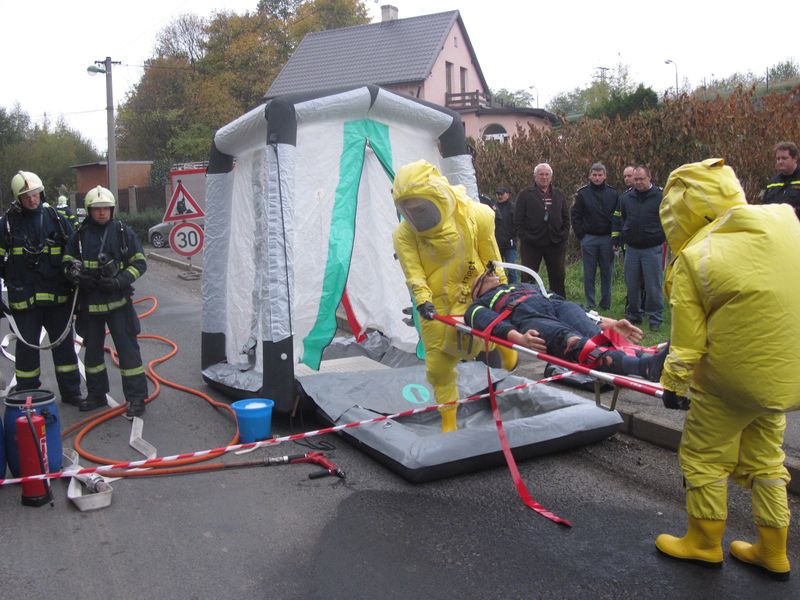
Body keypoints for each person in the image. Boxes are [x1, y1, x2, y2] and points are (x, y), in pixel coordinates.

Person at [655, 158, 800, 580]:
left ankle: (703, 543)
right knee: (766, 460)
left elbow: (688, 340)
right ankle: (773, 550)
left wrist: (674, 383)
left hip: (728, 382)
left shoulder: (697, 255)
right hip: (784, 376)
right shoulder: (784, 225)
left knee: (704, 456)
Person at [392, 160, 515, 433]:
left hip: (475, 291)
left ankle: (503, 347)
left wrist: (501, 291)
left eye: (421, 207)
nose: (417, 214)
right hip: (437, 304)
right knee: (438, 367)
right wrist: (422, 300)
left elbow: (492, 257)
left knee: (485, 337)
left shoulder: (475, 215)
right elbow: (414, 272)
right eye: (410, 209)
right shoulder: (404, 235)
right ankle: (449, 419)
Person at [465, 269, 667, 382]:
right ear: (476, 291)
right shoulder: (478, 304)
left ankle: (650, 359)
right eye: (486, 275)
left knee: (595, 335)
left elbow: (562, 302)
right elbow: (487, 322)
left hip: (556, 306)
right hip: (528, 317)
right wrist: (519, 338)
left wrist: (606, 322)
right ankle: (643, 367)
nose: (492, 273)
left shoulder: (522, 286)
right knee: (572, 342)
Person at [63, 186, 149, 418]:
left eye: (106, 208)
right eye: (97, 209)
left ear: (112, 210)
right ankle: (96, 395)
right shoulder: (79, 236)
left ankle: (136, 398)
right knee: (92, 355)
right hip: (90, 305)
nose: (102, 213)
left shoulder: (122, 232)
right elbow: (67, 261)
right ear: (89, 210)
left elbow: (139, 263)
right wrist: (76, 275)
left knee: (128, 352)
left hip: (118, 303)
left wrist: (120, 280)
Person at [0, 171, 84, 407]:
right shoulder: (8, 224)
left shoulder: (57, 219)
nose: (31, 199)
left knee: (64, 348)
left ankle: (72, 392)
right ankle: (27, 394)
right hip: (24, 302)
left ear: (41, 193)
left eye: (34, 194)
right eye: (26, 196)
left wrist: (77, 273)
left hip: (58, 300)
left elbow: (74, 253)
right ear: (18, 198)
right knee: (26, 351)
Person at [614, 165, 665, 331]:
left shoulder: (660, 196)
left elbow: (667, 219)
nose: (638, 182)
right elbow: (623, 219)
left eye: (641, 179)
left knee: (653, 286)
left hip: (652, 248)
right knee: (632, 284)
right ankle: (634, 315)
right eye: (635, 179)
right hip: (632, 249)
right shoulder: (626, 198)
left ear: (649, 177)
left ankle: (655, 318)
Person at [514, 163, 570, 297]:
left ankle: (558, 302)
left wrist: (563, 235)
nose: (544, 177)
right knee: (528, 276)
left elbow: (566, 217)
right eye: (541, 174)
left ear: (551, 177)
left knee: (558, 276)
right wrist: (525, 236)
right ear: (535, 177)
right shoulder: (525, 194)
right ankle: (527, 301)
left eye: (547, 174)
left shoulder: (559, 194)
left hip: (555, 243)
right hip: (531, 244)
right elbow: (517, 220)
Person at [571, 162, 619, 310]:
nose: (597, 178)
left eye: (600, 175)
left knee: (607, 272)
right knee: (589, 273)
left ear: (605, 176)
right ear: (590, 176)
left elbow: (617, 216)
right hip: (589, 238)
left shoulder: (613, 194)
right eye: (594, 175)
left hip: (607, 238)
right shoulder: (582, 193)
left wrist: (615, 238)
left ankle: (605, 304)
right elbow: (575, 215)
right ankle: (591, 303)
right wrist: (581, 235)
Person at [762, 141, 800, 219]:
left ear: (795, 158)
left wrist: (795, 211)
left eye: (784, 158)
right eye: (778, 159)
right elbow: (765, 206)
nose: (780, 162)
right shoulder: (772, 183)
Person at [493, 185, 518, 283]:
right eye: (498, 194)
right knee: (497, 269)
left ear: (508, 195)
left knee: (511, 269)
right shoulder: (493, 207)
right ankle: (498, 287)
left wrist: (512, 236)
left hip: (509, 245)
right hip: (496, 244)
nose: (499, 196)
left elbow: (517, 224)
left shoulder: (513, 207)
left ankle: (514, 287)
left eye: (502, 194)